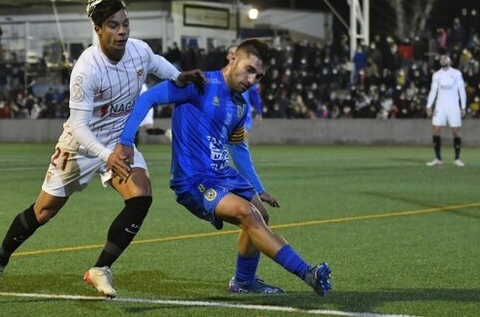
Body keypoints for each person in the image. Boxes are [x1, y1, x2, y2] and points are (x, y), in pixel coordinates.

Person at [0, 0, 206, 300]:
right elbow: (80, 127)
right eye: (113, 25)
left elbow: (155, 63)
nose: (122, 31)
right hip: (80, 146)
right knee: (43, 212)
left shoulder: (138, 50)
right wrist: (105, 155)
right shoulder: (87, 70)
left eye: (126, 24)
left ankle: (101, 268)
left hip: (117, 142)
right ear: (98, 29)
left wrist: (178, 76)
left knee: (141, 196)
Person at [116, 38, 332, 296]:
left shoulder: (240, 106)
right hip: (194, 179)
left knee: (261, 214)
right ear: (233, 58)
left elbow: (238, 149)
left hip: (224, 175)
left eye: (259, 76)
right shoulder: (199, 84)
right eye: (249, 70)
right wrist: (126, 140)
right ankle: (307, 272)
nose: (252, 80)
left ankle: (243, 281)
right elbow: (148, 98)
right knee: (249, 214)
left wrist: (258, 188)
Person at [426, 52, 467, 167]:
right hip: (440, 105)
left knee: (455, 131)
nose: (443, 60)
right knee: (436, 130)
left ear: (450, 60)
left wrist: (463, 106)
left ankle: (457, 158)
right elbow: (433, 91)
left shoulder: (456, 73)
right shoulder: (436, 75)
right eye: (441, 59)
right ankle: (438, 158)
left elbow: (461, 90)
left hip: (453, 105)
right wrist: (429, 105)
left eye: (445, 58)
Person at [226, 45, 262, 140]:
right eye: (231, 53)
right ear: (227, 56)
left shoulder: (249, 75)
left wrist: (259, 111)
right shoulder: (219, 75)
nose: (233, 56)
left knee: (241, 145)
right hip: (224, 115)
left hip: (243, 116)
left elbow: (254, 94)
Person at [134, 82, 172, 147]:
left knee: (138, 130)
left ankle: (166, 132)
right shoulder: (140, 84)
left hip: (144, 108)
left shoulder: (139, 85)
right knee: (148, 130)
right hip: (145, 108)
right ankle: (166, 132)